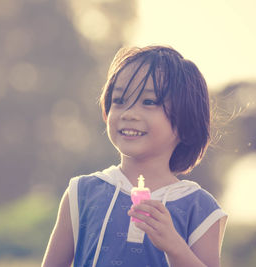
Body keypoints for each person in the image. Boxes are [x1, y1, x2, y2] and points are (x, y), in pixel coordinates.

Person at [42, 45, 228, 267]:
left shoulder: (201, 209)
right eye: (119, 100)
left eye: (148, 102)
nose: (129, 113)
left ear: (186, 121)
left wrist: (175, 247)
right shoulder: (81, 193)